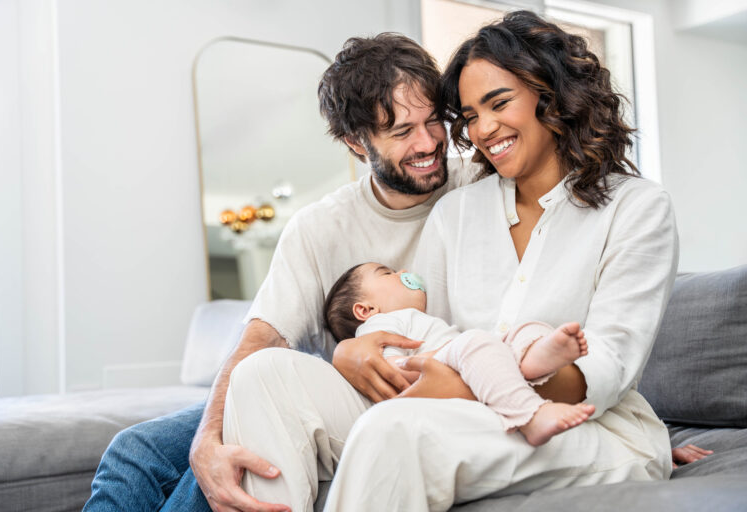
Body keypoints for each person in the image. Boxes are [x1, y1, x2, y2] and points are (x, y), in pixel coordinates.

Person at [218, 11, 688, 512]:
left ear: (549, 95)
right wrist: (353, 351)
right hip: (461, 409)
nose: (483, 129)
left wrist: (460, 388)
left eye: (499, 103)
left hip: (587, 423)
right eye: (468, 116)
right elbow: (429, 332)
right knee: (262, 375)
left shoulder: (637, 208)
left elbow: (609, 367)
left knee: (394, 429)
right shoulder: (457, 210)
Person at [84, 32, 481, 512]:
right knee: (136, 450)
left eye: (433, 120)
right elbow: (262, 340)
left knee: (227, 459)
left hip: (396, 396)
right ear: (356, 142)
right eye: (401, 132)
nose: (428, 142)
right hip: (320, 392)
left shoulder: (477, 185)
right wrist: (206, 440)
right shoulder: (319, 226)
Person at [321, 261, 594, 446]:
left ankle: (534, 356)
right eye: (387, 272)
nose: (402, 271)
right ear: (365, 310)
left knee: (521, 329)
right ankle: (530, 415)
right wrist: (442, 354)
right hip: (438, 367)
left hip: (463, 356)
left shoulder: (413, 317)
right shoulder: (377, 326)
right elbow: (390, 368)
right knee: (476, 341)